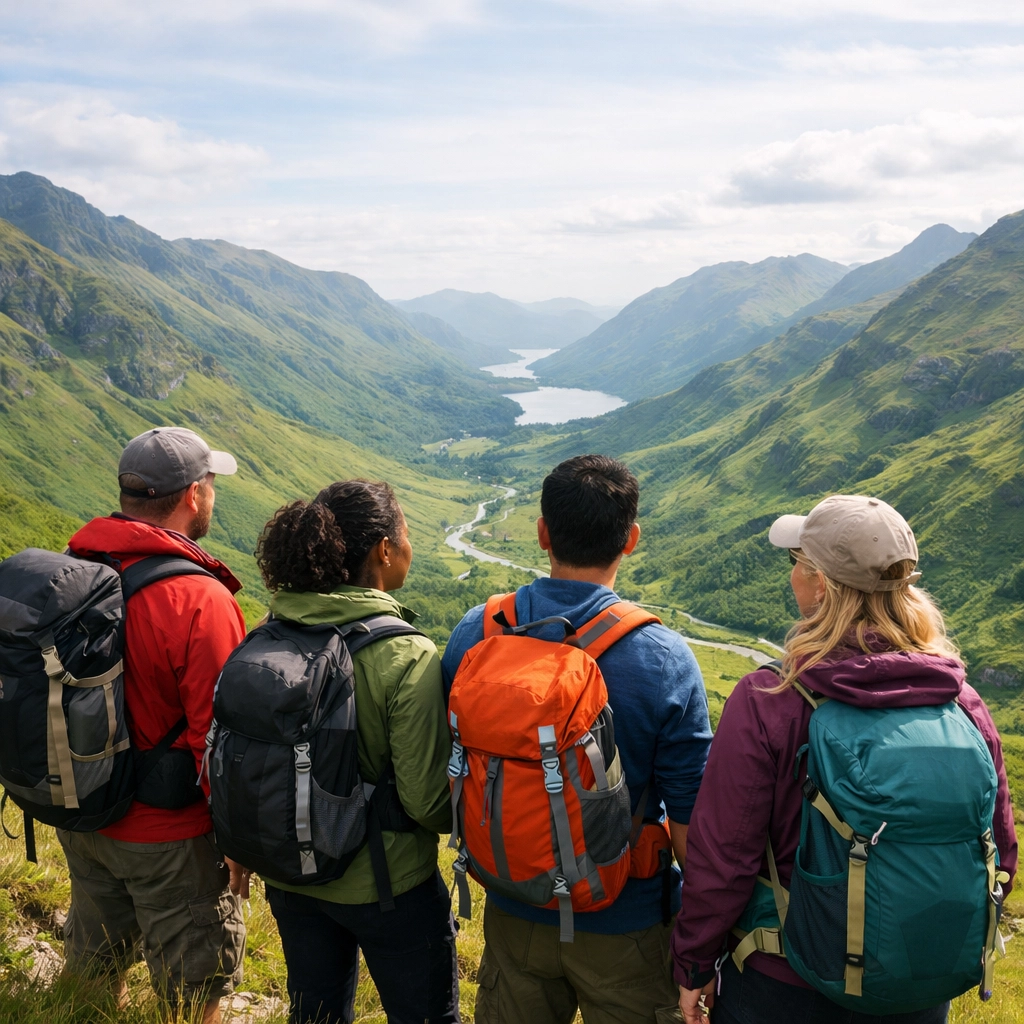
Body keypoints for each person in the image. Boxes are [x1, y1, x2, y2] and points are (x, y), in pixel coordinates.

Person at [672, 494, 1018, 1024]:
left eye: (796, 564)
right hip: (916, 988)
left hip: (782, 984)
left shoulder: (769, 699)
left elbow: (723, 858)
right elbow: (998, 852)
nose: (792, 577)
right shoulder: (962, 702)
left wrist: (693, 966)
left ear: (820, 583)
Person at [441, 454, 712, 1024]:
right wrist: (701, 940)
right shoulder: (665, 659)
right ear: (631, 539)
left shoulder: (478, 631)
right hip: (627, 922)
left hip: (515, 904)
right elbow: (690, 817)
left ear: (542, 533)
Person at [60, 427, 247, 1022]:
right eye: (211, 483)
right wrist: (238, 838)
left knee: (92, 966)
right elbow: (217, 739)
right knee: (195, 992)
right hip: (168, 836)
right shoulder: (200, 598)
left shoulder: (74, 571)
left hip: (83, 810)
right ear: (193, 495)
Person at [254, 480, 459, 1024]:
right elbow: (424, 802)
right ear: (384, 551)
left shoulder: (271, 629)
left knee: (315, 1015)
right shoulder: (405, 653)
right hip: (388, 888)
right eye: (406, 536)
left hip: (290, 874)